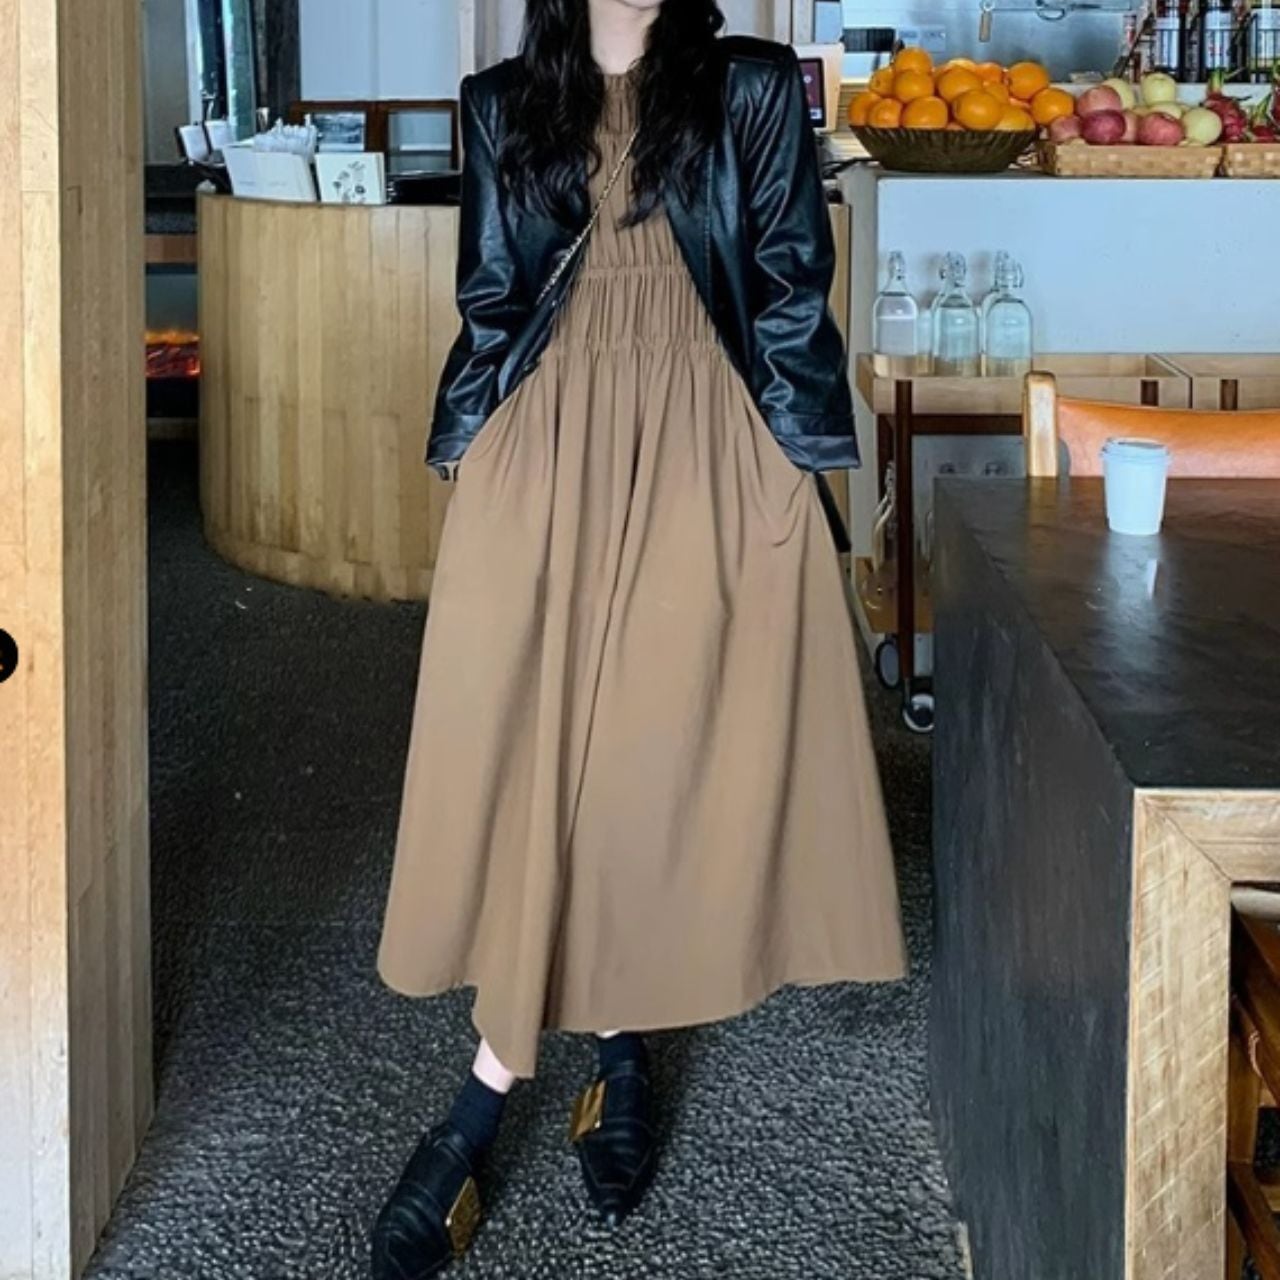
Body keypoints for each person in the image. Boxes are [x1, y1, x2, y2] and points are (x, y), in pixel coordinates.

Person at [371, 0, 906, 1273]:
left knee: (640, 749)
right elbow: (493, 297)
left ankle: (485, 1098)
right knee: (529, 746)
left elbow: (789, 279)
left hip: (705, 438)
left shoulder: (751, 87)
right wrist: (472, 454)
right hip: (546, 443)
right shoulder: (503, 104)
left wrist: (788, 465)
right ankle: (615, 1048)